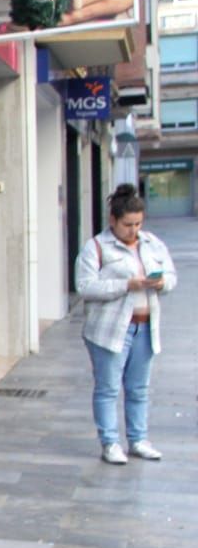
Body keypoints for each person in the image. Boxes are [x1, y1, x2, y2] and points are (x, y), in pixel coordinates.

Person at [76, 183, 177, 464]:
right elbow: (85, 287)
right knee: (108, 387)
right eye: (127, 224)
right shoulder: (96, 247)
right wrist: (127, 285)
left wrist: (162, 282)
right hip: (109, 330)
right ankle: (109, 442)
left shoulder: (152, 243)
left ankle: (138, 439)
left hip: (145, 326)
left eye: (138, 224)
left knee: (139, 388)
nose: (133, 230)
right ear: (113, 221)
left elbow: (171, 276)